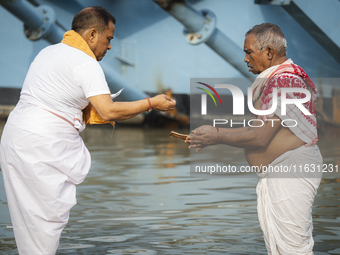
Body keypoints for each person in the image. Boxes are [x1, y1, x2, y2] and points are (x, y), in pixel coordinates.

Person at [0, 6, 175, 255]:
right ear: (92, 34)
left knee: (27, 225)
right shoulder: (86, 63)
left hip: (14, 138)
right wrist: (151, 103)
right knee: (43, 231)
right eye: (109, 39)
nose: (110, 46)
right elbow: (108, 111)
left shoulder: (48, 52)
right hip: (40, 146)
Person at [186, 23, 322, 254]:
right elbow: (256, 131)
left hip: (291, 172)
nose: (246, 59)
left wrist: (216, 137)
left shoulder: (285, 81)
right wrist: (211, 134)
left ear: (269, 52)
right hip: (278, 174)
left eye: (249, 52)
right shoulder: (276, 80)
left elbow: (260, 138)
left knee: (294, 249)